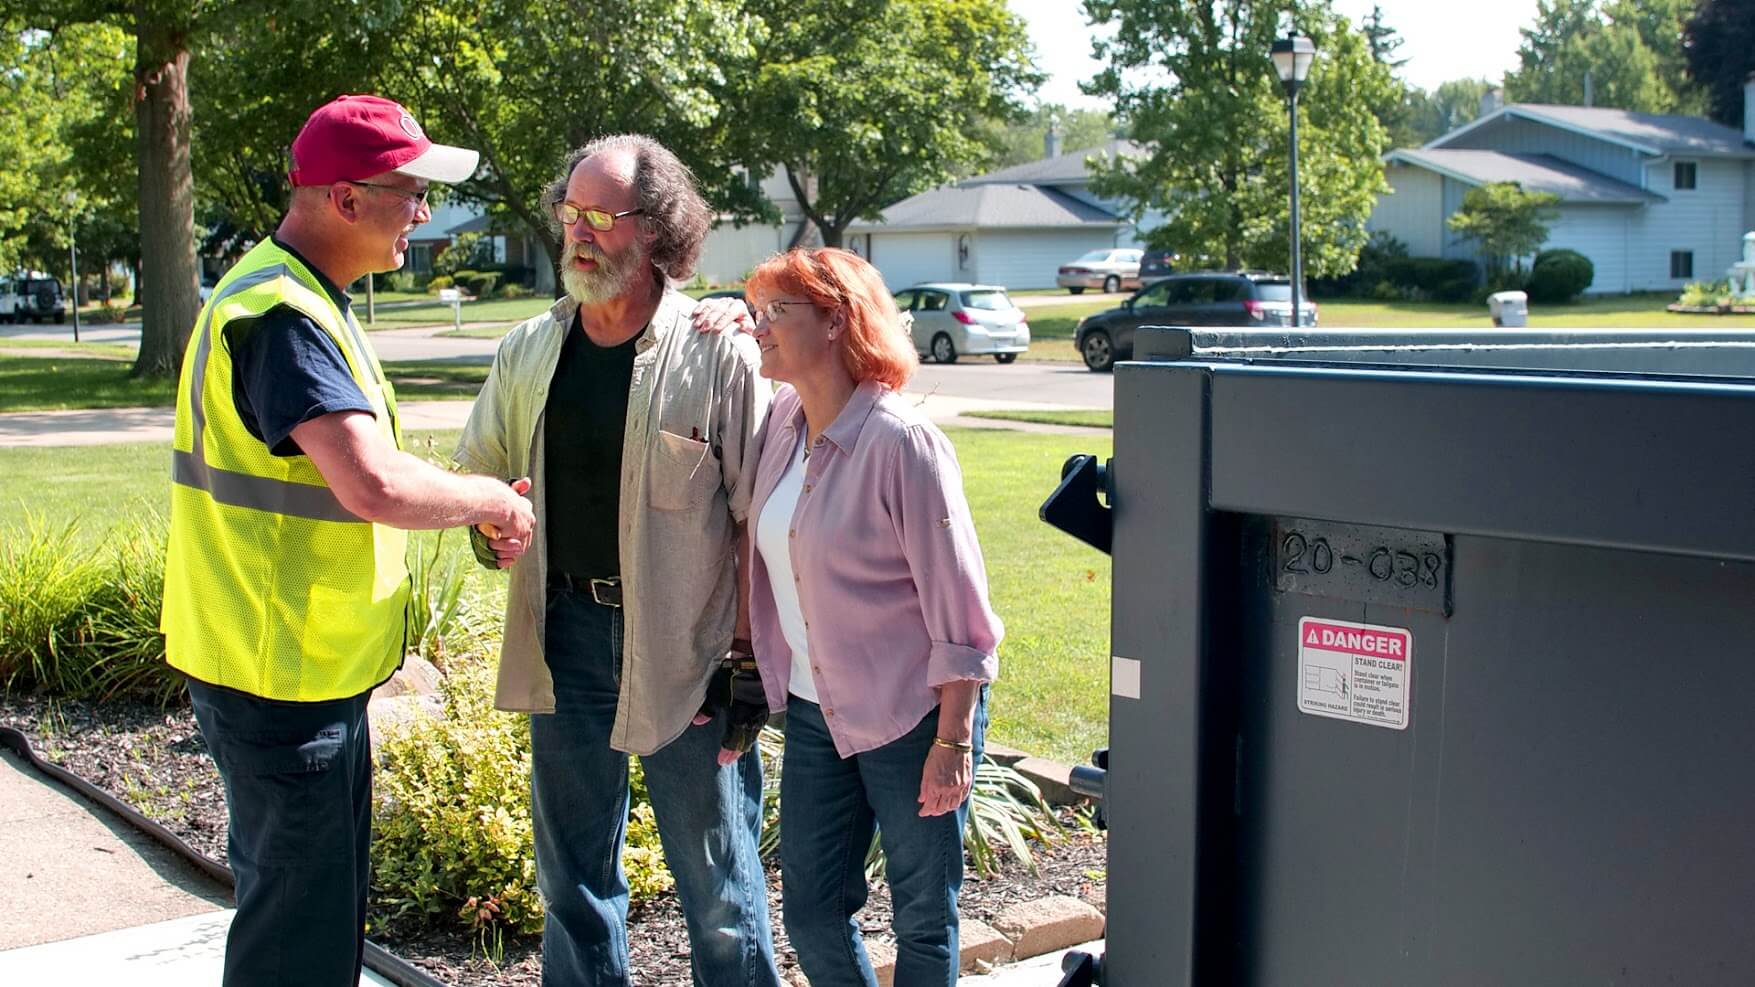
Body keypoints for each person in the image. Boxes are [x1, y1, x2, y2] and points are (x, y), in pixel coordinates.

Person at [161, 94, 536, 987]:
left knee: (303, 913)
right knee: (301, 935)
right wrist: (492, 499)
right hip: (280, 677)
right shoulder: (284, 316)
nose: (425, 211)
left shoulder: (290, 295)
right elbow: (371, 482)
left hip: (280, 666)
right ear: (344, 199)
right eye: (409, 190)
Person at [453, 134, 779, 987]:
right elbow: (481, 479)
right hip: (562, 638)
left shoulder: (717, 350)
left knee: (718, 889)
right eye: (571, 213)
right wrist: (490, 529)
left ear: (657, 229)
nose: (580, 232)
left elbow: (757, 521)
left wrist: (744, 660)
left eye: (602, 215)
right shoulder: (528, 349)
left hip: (689, 653)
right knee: (572, 884)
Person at [739, 248, 1004, 986]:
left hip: (914, 715)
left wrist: (953, 739)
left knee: (923, 915)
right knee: (813, 910)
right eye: (755, 313)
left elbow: (962, 612)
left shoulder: (902, 443)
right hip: (816, 713)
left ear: (834, 322)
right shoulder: (786, 422)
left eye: (774, 314)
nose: (758, 328)